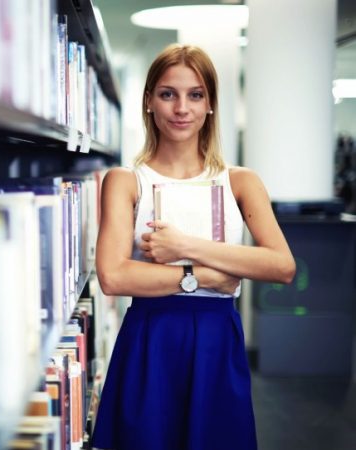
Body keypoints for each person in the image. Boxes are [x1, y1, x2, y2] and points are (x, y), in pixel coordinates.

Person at [90, 44, 296, 450]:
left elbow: (282, 265)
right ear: (149, 101)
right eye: (168, 94)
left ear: (211, 105)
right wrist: (198, 276)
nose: (181, 108)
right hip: (151, 339)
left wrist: (184, 245)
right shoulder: (125, 181)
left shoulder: (241, 182)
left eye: (195, 94)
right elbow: (113, 276)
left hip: (218, 341)